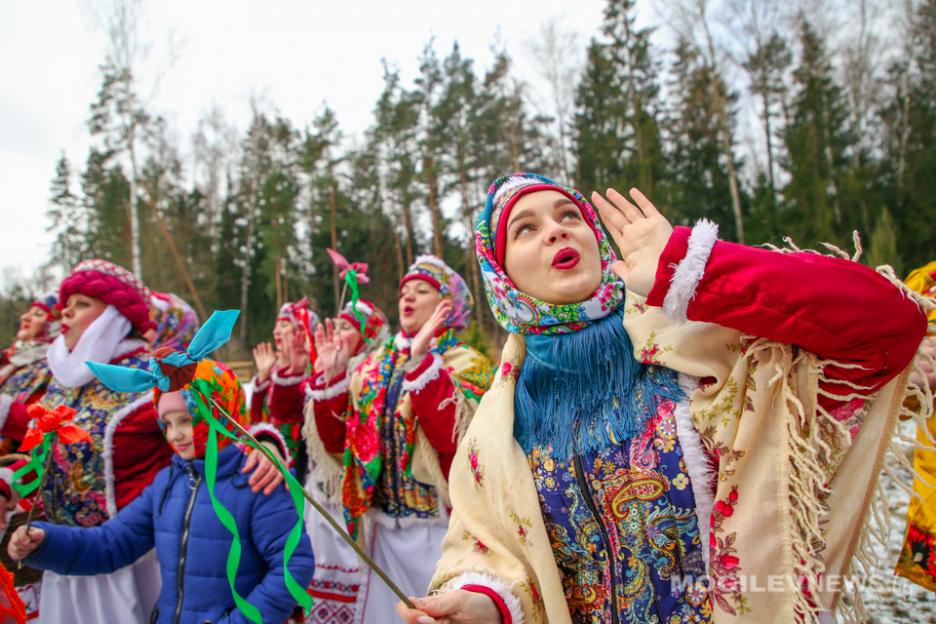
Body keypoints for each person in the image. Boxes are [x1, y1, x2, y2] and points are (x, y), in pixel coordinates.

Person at [397, 173, 928, 624]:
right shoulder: (499, 421)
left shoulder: (701, 343)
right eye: (526, 228)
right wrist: (484, 603)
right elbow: (496, 552)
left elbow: (890, 328)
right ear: (500, 273)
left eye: (568, 215)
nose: (555, 228)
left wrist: (692, 269)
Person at [0, 260, 284, 624]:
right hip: (67, 558)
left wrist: (265, 446)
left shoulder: (148, 376)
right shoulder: (64, 383)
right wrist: (12, 482)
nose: (65, 311)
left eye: (83, 303)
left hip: (132, 567)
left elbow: (221, 421)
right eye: (67, 302)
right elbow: (57, 455)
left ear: (115, 316)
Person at [7, 358, 315, 624]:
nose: (175, 434)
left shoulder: (257, 481)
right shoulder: (168, 483)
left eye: (185, 419)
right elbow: (112, 544)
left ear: (219, 412)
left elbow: (292, 566)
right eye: (166, 423)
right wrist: (44, 543)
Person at [307, 256, 494, 624]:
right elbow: (339, 448)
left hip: (442, 531)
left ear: (449, 304)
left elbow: (455, 444)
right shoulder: (372, 366)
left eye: (421, 290)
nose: (407, 298)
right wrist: (332, 380)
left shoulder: (468, 364)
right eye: (404, 291)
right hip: (380, 532)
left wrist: (423, 365)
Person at [299, 299, 388, 623]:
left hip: (357, 504)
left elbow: (343, 447)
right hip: (324, 499)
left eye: (347, 327)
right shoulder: (328, 369)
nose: (338, 333)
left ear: (368, 336)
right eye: (336, 325)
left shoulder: (372, 377)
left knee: (360, 592)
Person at [250, 297, 318, 471]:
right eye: (277, 325)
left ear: (301, 332)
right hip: (269, 460)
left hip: (298, 466)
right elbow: (257, 420)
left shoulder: (312, 373)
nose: (276, 332)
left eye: (284, 325)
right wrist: (262, 379)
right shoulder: (273, 370)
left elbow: (284, 416)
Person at [0, 293, 60, 452]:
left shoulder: (55, 368)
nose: (25, 317)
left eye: (38, 314)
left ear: (56, 326)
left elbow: (45, 427)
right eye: (29, 312)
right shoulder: (13, 358)